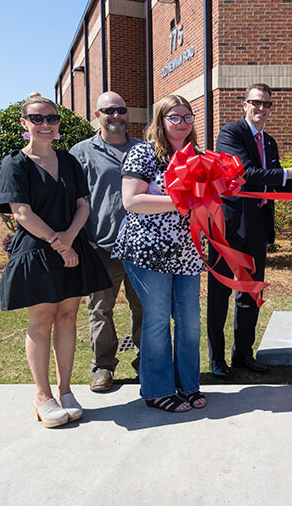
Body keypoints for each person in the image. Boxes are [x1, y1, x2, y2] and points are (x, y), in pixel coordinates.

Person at [0, 93, 111, 427]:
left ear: (58, 123)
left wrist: (71, 237)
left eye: (51, 118)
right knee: (42, 321)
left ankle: (65, 390)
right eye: (37, 118)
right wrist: (60, 244)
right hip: (37, 253)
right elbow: (21, 212)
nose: (45, 124)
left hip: (71, 246)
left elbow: (83, 204)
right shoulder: (14, 163)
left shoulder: (69, 161)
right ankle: (42, 396)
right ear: (24, 123)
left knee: (68, 317)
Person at [206, 83, 292, 378]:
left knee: (250, 294)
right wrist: (288, 173)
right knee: (220, 295)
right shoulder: (230, 133)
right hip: (228, 228)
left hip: (257, 228)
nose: (261, 109)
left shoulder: (270, 142)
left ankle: (243, 353)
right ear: (244, 105)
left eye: (266, 104)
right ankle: (217, 359)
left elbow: (273, 180)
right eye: (256, 103)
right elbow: (244, 173)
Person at [112, 95, 205, 412]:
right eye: (175, 117)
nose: (182, 123)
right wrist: (180, 202)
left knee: (191, 322)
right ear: (161, 121)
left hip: (187, 252)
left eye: (188, 117)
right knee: (157, 322)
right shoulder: (144, 153)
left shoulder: (197, 156)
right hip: (148, 251)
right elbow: (131, 200)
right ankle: (157, 390)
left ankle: (188, 385)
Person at [70, 91, 144, 392]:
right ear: (97, 115)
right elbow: (73, 199)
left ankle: (147, 363)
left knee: (146, 308)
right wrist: (81, 237)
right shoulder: (81, 153)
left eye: (121, 110)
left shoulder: (143, 149)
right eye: (108, 111)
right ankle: (103, 367)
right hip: (101, 246)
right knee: (100, 309)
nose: (116, 116)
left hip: (141, 246)